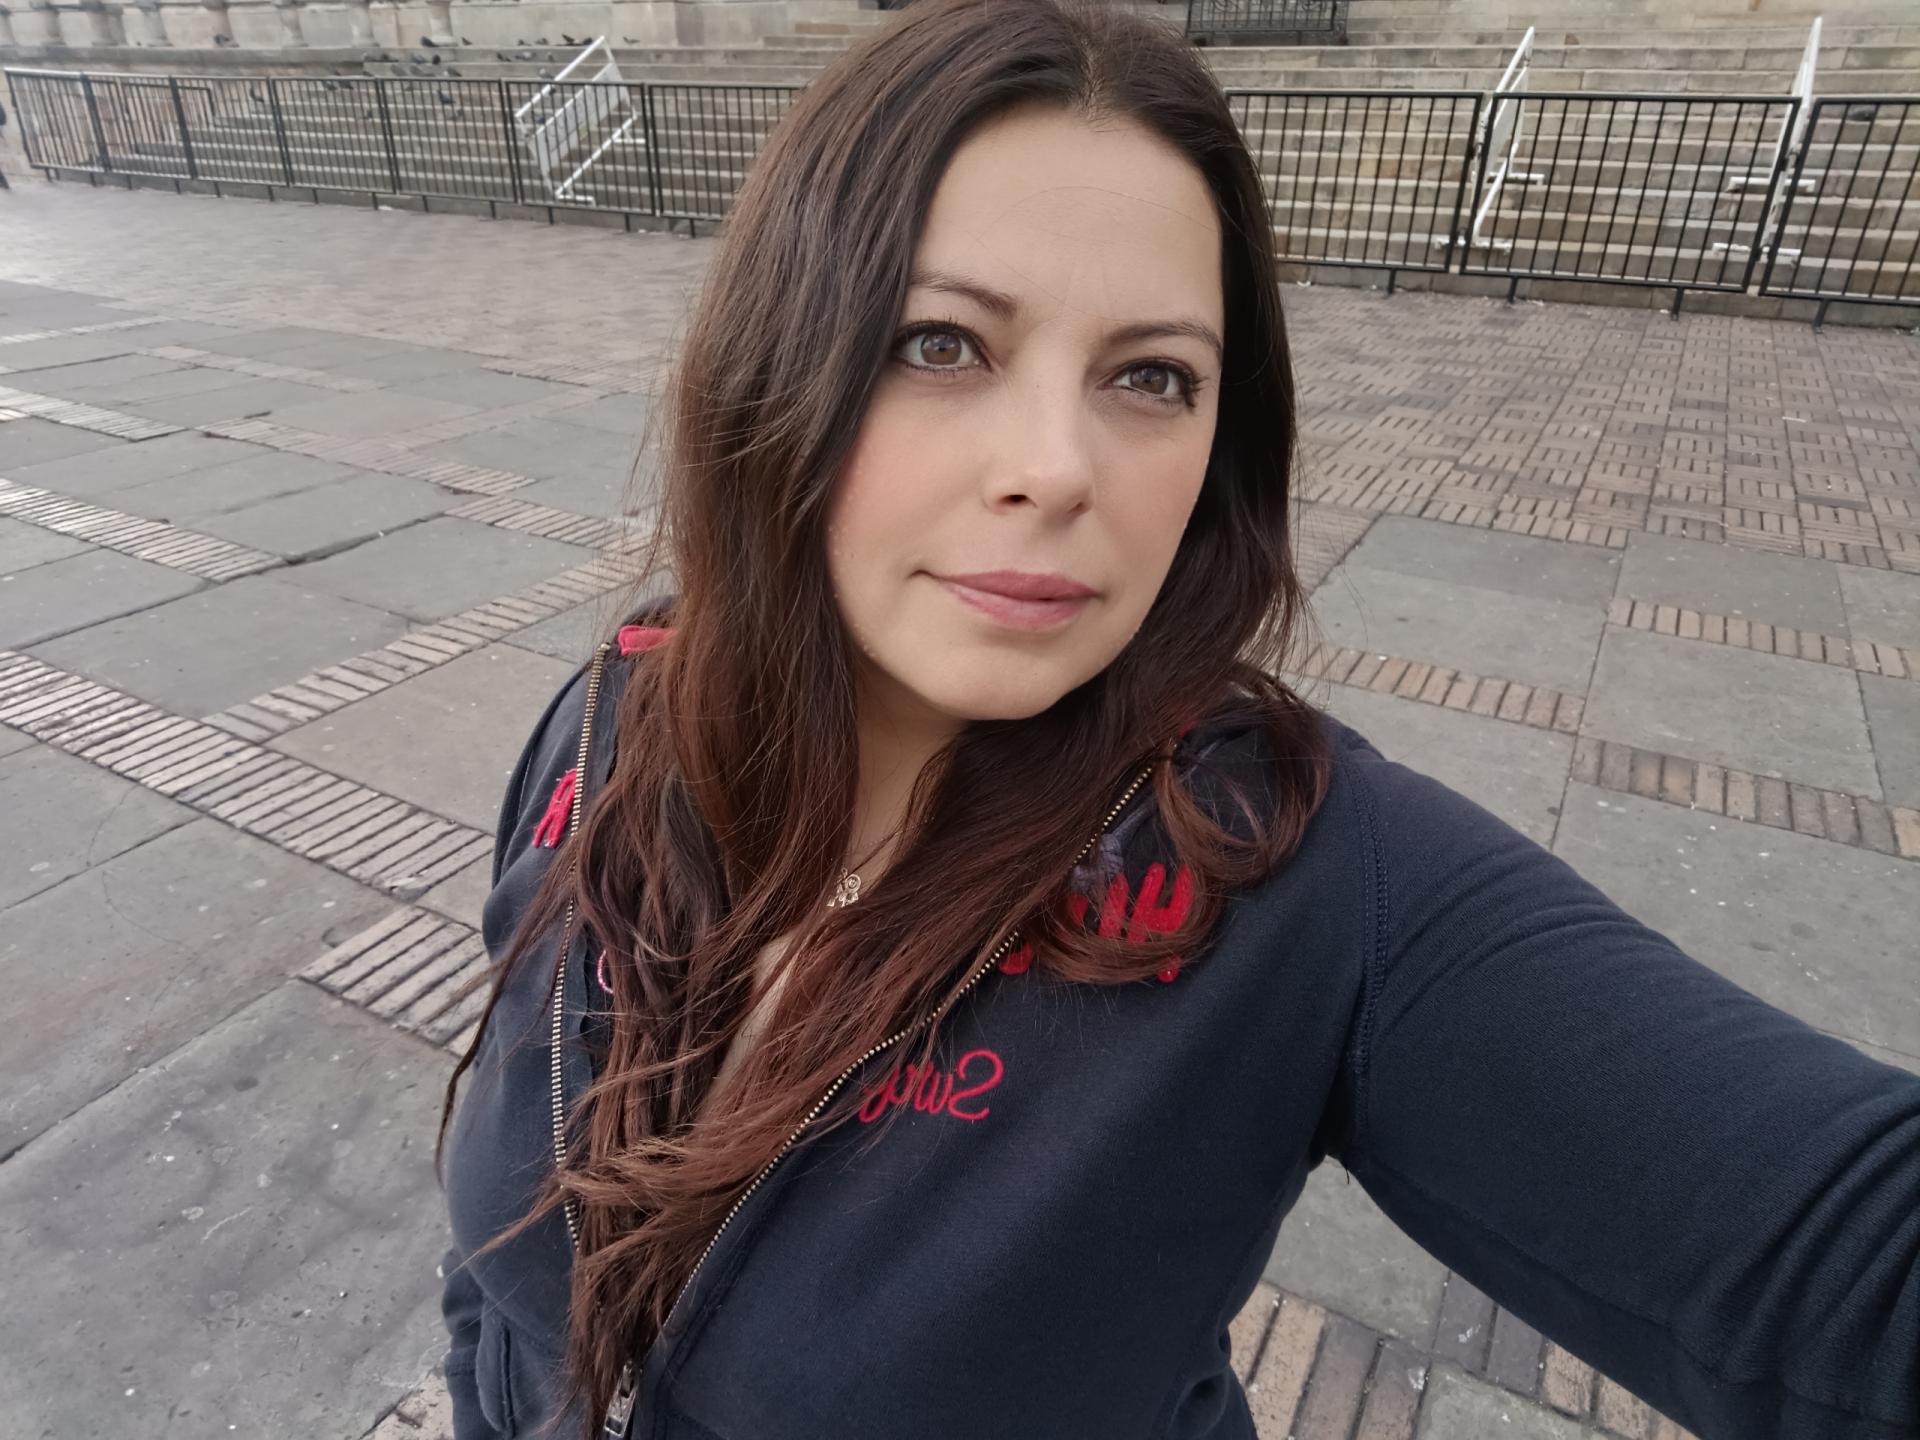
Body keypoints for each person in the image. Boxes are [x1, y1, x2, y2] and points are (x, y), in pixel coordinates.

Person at [433, 1, 1920, 1436]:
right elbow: (501, 1276)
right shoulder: (620, 716)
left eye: (1152, 377)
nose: (1058, 467)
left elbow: (1839, 1257)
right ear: (776, 359)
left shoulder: (1302, 880)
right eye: (942, 343)